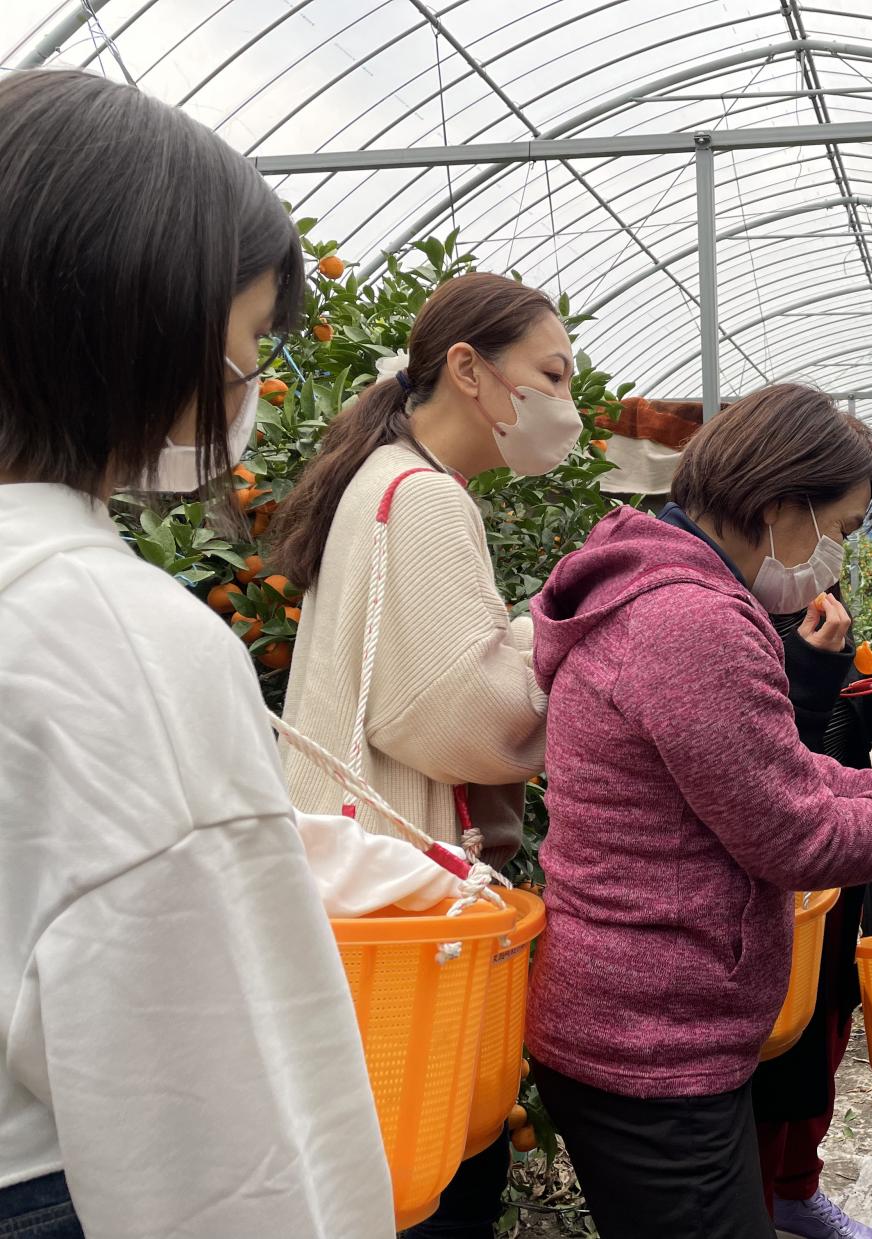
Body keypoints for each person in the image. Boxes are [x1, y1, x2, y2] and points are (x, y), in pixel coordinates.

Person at [0, 69, 393, 1238]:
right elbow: (227, 1147)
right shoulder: (109, 638)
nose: (252, 385)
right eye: (247, 340)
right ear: (143, 321)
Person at [526, 384, 872, 1238]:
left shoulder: (664, 592)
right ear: (779, 502)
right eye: (838, 528)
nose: (836, 554)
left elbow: (773, 777)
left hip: (642, 1022)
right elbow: (795, 835)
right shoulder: (691, 621)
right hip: (652, 1043)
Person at [271, 271, 581, 1238]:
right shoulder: (427, 499)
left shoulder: (382, 480)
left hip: (343, 881)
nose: (565, 405)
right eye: (554, 375)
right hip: (400, 902)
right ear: (468, 370)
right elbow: (452, 716)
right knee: (432, 1169)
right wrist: (559, 632)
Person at [754, 587, 872, 1239]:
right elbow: (773, 763)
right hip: (772, 875)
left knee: (825, 1017)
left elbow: (842, 735)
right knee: (774, 1044)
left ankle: (796, 1186)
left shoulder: (820, 608)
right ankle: (758, 1197)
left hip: (838, 862)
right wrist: (806, 668)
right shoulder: (724, 620)